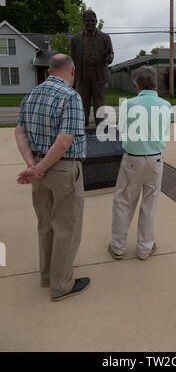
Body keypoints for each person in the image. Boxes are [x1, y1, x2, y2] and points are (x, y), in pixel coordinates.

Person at [15, 54, 90, 301]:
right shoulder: (71, 97)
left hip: (39, 168)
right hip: (62, 170)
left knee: (45, 224)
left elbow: (20, 131)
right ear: (72, 70)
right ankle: (61, 285)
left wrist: (33, 165)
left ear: (50, 70)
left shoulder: (31, 95)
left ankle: (46, 276)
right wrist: (39, 168)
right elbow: (64, 142)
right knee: (66, 228)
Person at [108, 66, 171, 261]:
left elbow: (123, 129)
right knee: (150, 205)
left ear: (137, 85)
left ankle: (118, 247)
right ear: (155, 84)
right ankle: (145, 248)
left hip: (133, 159)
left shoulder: (128, 104)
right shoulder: (166, 105)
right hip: (155, 159)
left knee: (123, 202)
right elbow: (164, 131)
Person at [71, 9, 114, 126]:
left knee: (99, 102)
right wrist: (73, 78)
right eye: (87, 20)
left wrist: (108, 57)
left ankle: (100, 124)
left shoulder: (105, 37)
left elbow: (111, 56)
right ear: (83, 21)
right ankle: (82, 123)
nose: (90, 23)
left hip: (98, 74)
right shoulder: (75, 39)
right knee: (83, 101)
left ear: (96, 21)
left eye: (92, 20)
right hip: (82, 74)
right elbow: (73, 59)